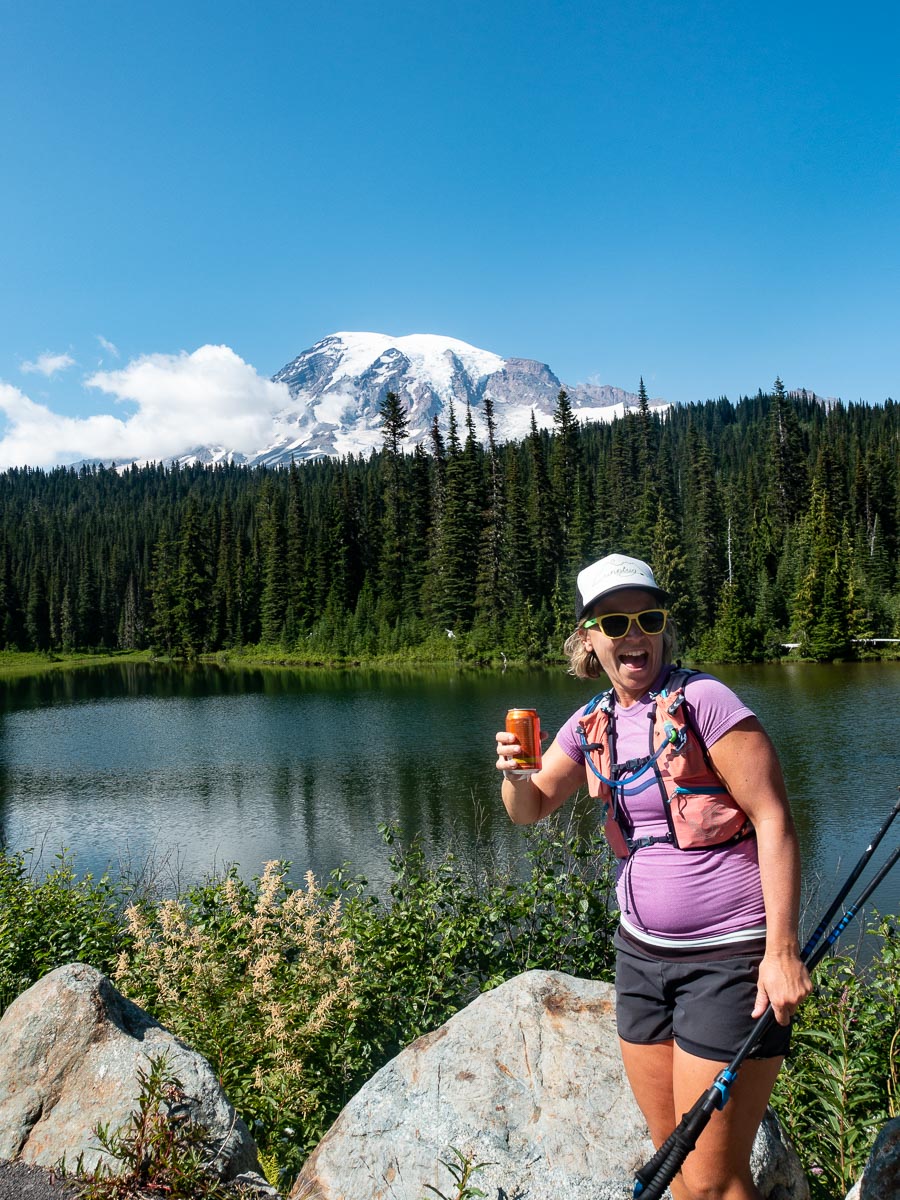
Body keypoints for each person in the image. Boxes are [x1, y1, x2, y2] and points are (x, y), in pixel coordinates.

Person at [494, 553, 812, 1200]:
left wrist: (780, 951)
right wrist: (515, 774)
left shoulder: (706, 701)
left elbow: (774, 818)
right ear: (588, 637)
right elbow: (529, 812)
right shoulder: (592, 723)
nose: (633, 634)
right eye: (613, 622)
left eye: (648, 617)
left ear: (665, 627)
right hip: (641, 961)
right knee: (673, 1165)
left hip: (727, 960)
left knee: (713, 1183)